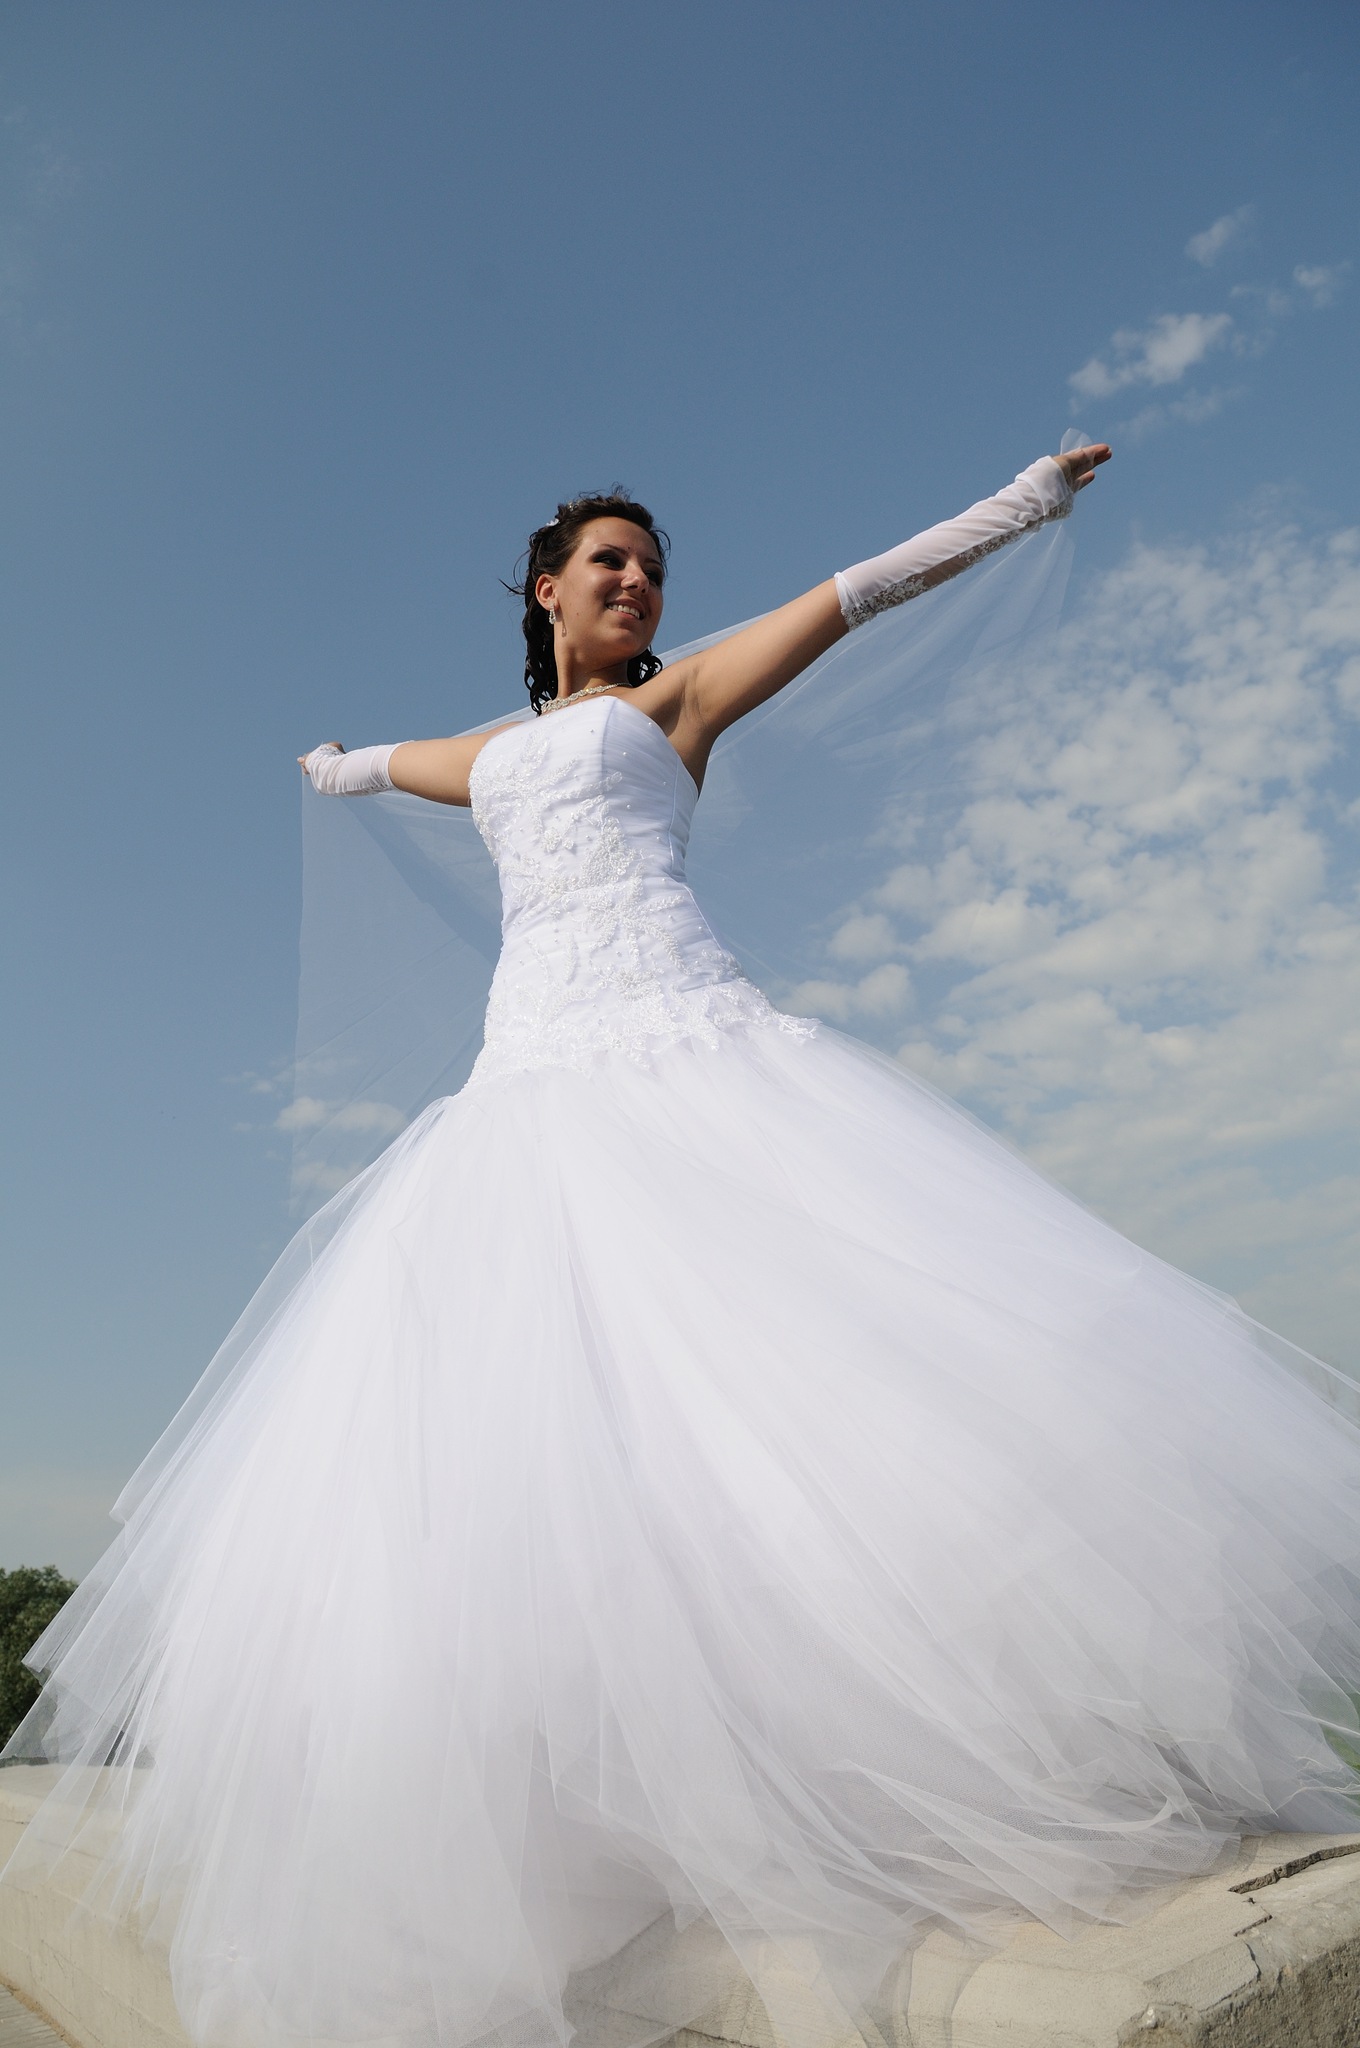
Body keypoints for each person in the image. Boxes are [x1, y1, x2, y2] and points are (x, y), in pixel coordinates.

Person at [8, 447, 1360, 2048]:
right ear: (547, 589)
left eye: (650, 567)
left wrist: (1020, 504)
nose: (638, 583)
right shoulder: (487, 754)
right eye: (609, 562)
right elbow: (388, 766)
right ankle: (611, 1812)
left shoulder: (678, 704)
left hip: (686, 1048)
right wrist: (335, 767)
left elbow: (854, 594)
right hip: (524, 1091)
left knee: (775, 1396)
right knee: (546, 1448)